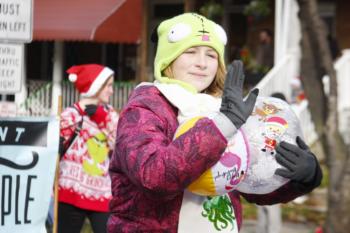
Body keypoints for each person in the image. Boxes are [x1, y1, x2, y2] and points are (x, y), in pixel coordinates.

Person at [108, 13, 322, 233]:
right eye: (190, 52)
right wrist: (222, 125)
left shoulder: (220, 109)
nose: (201, 63)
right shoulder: (144, 109)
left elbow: (247, 185)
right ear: (167, 59)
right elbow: (153, 177)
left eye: (211, 55)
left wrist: (300, 178)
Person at [58, 64, 119, 233]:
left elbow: (120, 145)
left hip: (101, 193)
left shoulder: (110, 114)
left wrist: (102, 118)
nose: (111, 91)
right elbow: (55, 148)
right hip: (70, 192)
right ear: (95, 86)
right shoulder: (70, 115)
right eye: (108, 86)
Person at [255, 92, 287, 233]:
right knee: (263, 206)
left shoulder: (282, 125)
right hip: (262, 169)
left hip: (273, 171)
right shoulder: (266, 122)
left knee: (270, 207)